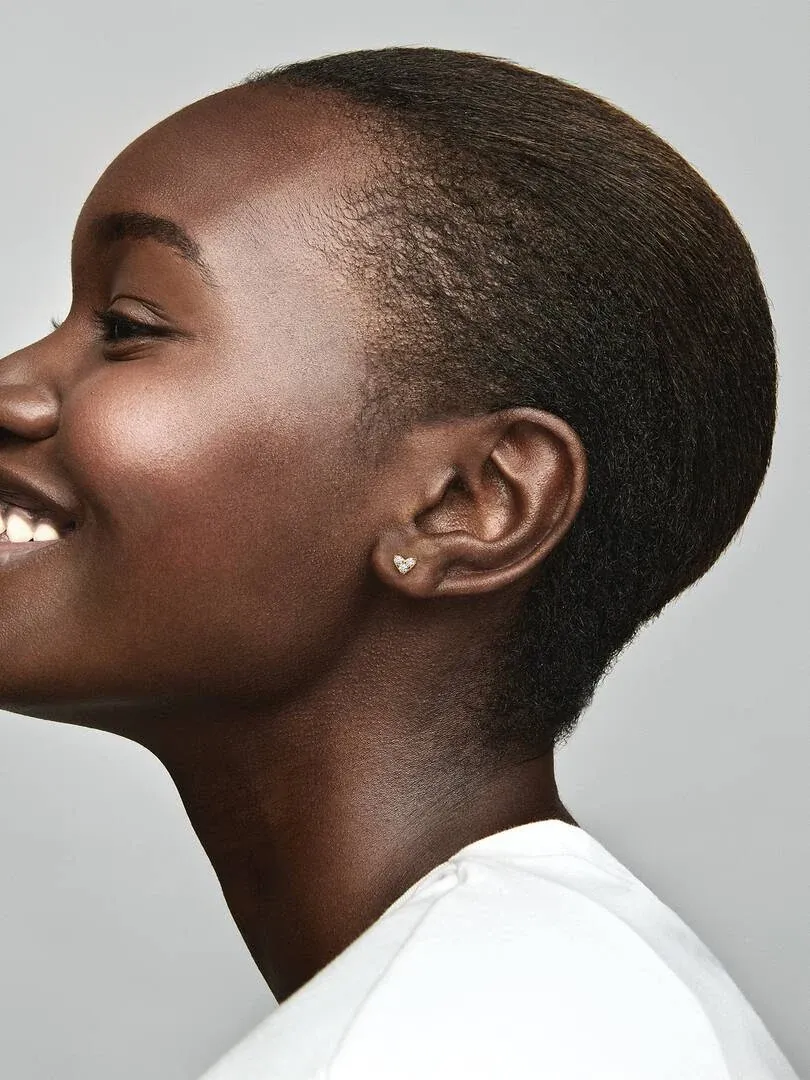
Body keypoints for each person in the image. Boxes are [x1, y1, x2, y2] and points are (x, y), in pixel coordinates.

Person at [0, 44, 798, 1080]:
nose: (13, 386)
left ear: (469, 504)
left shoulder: (461, 1046)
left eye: (127, 326)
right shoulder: (551, 1003)